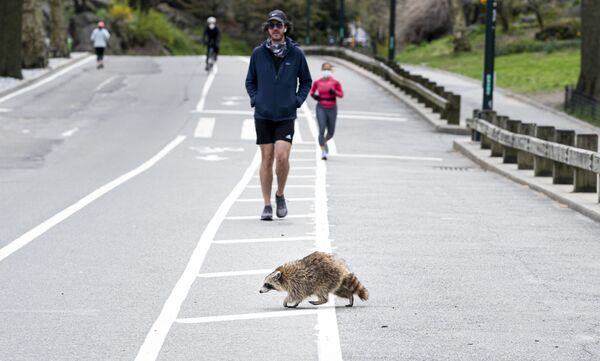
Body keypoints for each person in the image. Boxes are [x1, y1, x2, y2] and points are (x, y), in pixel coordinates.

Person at [245, 9, 312, 221]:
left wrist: (297, 101)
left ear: (285, 28)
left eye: (279, 25)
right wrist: (256, 99)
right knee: (266, 158)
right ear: (268, 29)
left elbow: (307, 82)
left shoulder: (296, 54)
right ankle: (266, 205)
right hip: (263, 114)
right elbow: (250, 81)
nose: (275, 29)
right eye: (272, 25)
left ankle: (280, 195)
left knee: (282, 157)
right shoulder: (258, 53)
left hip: (285, 114)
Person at [309, 62, 344, 160]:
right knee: (321, 129)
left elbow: (341, 95)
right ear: (322, 70)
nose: (326, 71)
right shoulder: (317, 82)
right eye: (325, 69)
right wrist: (315, 96)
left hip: (332, 108)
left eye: (328, 69)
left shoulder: (335, 82)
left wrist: (334, 92)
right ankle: (323, 151)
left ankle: (324, 141)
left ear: (331, 71)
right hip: (321, 107)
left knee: (331, 132)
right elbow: (311, 92)